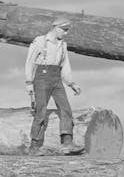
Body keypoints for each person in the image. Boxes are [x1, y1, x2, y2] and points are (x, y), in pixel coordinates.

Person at [25, 19, 84, 155]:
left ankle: (67, 143)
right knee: (41, 111)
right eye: (64, 30)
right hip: (41, 78)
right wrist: (28, 82)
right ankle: (35, 146)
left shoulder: (62, 44)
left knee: (66, 109)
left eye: (67, 30)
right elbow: (30, 62)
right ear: (56, 28)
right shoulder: (39, 41)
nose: (66, 33)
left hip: (57, 78)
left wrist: (71, 83)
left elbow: (65, 65)